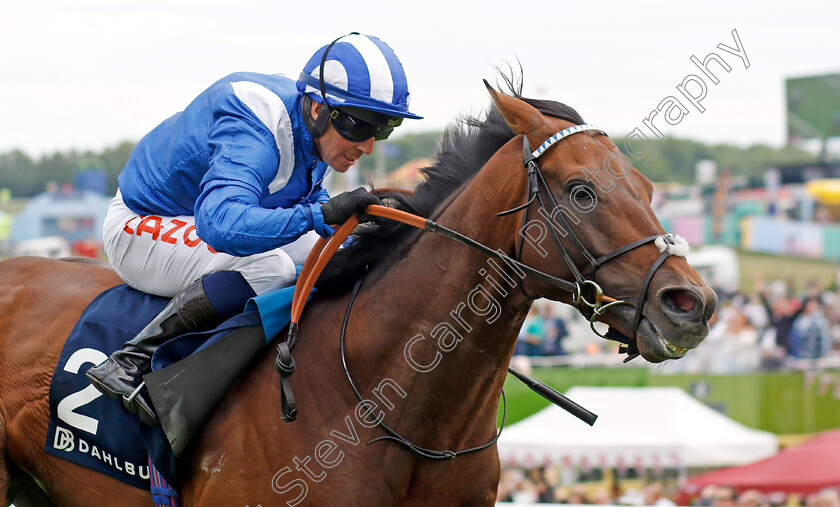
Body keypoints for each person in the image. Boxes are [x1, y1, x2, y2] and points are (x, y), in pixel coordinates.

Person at [86, 32, 422, 425]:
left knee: (333, 254)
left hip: (196, 217)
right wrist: (323, 214)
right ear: (316, 108)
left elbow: (300, 208)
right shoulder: (258, 127)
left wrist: (356, 224)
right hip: (140, 223)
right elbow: (220, 223)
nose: (367, 146)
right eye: (358, 127)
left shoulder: (317, 133)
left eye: (382, 130)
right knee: (271, 268)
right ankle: (131, 360)